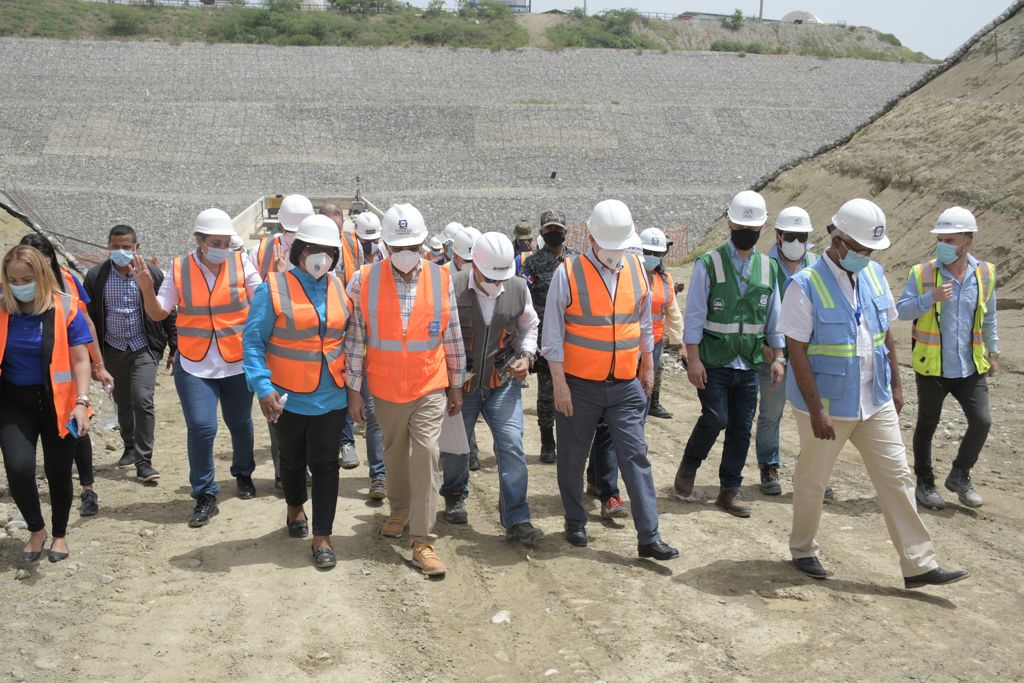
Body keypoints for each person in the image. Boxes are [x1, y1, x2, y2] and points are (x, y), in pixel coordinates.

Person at [782, 198, 969, 589]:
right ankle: (802, 549)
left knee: (897, 477)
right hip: (828, 406)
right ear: (838, 241)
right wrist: (816, 410)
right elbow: (796, 350)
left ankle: (919, 565)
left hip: (875, 398)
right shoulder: (804, 285)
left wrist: (897, 385)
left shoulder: (874, 273)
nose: (866, 256)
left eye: (871, 250)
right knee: (812, 480)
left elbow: (885, 332)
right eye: (861, 248)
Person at [542, 199, 678, 561]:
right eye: (610, 246)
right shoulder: (567, 273)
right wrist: (559, 384)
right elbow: (552, 336)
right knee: (572, 458)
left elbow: (645, 325)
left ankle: (649, 536)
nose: (616, 254)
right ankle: (574, 520)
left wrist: (647, 367)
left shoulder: (636, 267)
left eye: (621, 246)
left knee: (636, 457)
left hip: (624, 385)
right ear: (590, 237)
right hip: (579, 384)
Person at [345, 203, 466, 577]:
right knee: (394, 453)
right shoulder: (365, 279)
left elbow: (452, 333)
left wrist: (456, 384)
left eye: (411, 245)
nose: (405, 254)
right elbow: (355, 337)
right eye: (398, 247)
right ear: (385, 245)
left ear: (423, 242)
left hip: (429, 384)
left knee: (427, 454)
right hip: (385, 387)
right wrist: (353, 390)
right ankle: (399, 508)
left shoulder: (441, 278)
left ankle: (423, 540)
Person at [135, 208, 260, 527]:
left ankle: (243, 473)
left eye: (225, 241)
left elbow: (261, 299)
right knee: (203, 428)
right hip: (194, 361)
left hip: (235, 360)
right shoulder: (179, 269)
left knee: (240, 422)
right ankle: (205, 493)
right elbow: (159, 313)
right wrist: (147, 288)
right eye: (214, 242)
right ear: (199, 240)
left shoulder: (241, 262)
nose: (221, 247)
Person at [244, 215, 354, 569]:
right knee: (291, 461)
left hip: (331, 396)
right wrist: (262, 387)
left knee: (325, 465)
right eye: (314, 250)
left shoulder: (339, 288)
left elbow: (348, 339)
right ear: (300, 251)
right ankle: (294, 506)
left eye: (330, 251)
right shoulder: (272, 288)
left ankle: (322, 536)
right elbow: (253, 342)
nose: (323, 257)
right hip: (287, 397)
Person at [674, 190, 784, 518]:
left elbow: (774, 318)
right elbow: (693, 316)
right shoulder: (709, 263)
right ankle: (689, 466)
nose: (747, 231)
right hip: (714, 360)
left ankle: (729, 490)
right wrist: (693, 359)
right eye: (741, 224)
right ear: (729, 223)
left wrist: (778, 357)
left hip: (748, 362)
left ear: (762, 227)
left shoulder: (768, 268)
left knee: (741, 426)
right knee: (715, 417)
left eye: (753, 226)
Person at [438, 232, 544, 545]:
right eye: (490, 277)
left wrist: (526, 356)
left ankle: (517, 518)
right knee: (457, 448)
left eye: (502, 278)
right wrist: (449, 384)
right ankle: (454, 495)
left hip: (503, 383)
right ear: (475, 266)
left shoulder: (517, 287)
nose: (497, 284)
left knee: (512, 444)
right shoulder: (452, 286)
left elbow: (529, 326)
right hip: (462, 384)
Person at [896, 206, 997, 510]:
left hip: (970, 367)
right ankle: (925, 484)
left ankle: (960, 475)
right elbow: (901, 310)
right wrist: (931, 298)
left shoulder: (985, 273)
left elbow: (989, 317)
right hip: (933, 368)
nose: (943, 244)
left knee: (982, 421)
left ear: (968, 242)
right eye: (940, 238)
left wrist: (994, 352)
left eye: (950, 239)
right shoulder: (922, 273)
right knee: (927, 424)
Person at [0, 246, 93, 563]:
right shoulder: (1, 308)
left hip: (60, 402)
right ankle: (36, 529)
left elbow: (81, 359)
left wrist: (82, 402)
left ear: (41, 275)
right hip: (14, 401)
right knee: (18, 468)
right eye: (12, 279)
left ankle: (59, 535)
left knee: (58, 472)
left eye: (26, 278)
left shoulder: (66, 307)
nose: (19, 284)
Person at [20, 234, 115, 516]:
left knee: (76, 429)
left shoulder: (67, 282)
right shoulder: (12, 290)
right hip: (27, 383)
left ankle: (87, 489)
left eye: (44, 257)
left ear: (50, 257)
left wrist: (98, 364)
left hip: (66, 375)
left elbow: (86, 324)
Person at [83, 224, 176, 486]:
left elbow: (168, 311)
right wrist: (92, 358)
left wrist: (173, 346)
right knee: (123, 402)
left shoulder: (152, 274)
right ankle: (130, 446)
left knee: (142, 398)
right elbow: (88, 318)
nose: (121, 251)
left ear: (137, 248)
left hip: (143, 347)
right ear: (108, 248)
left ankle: (144, 461)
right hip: (111, 349)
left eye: (127, 247)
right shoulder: (96, 277)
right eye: (116, 247)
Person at [754, 207, 819, 496]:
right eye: (790, 236)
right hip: (775, 356)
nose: (796, 242)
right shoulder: (763, 265)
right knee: (771, 413)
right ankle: (769, 467)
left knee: (813, 414)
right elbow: (755, 312)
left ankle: (815, 472)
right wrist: (765, 348)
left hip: (810, 355)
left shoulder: (817, 264)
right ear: (778, 236)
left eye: (801, 236)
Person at [250, 195, 315, 488]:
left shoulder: (321, 247)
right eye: (291, 232)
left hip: (312, 347)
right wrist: (274, 281)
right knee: (278, 413)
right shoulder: (261, 251)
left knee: (312, 414)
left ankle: (307, 469)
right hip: (277, 348)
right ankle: (284, 475)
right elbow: (254, 303)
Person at [523, 211, 574, 464]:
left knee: (573, 391)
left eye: (558, 228)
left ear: (566, 231)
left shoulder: (575, 261)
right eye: (548, 229)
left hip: (574, 339)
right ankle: (547, 440)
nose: (554, 233)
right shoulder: (531, 264)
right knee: (546, 393)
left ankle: (570, 440)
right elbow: (524, 302)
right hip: (545, 340)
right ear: (542, 232)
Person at [320, 204, 364, 472]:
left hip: (344, 322)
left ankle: (346, 442)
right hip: (314, 325)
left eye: (337, 229)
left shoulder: (351, 244)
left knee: (343, 382)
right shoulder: (310, 246)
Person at [350, 213, 387, 499]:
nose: (371, 245)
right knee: (374, 417)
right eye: (367, 240)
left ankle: (398, 473)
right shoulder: (359, 275)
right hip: (369, 357)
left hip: (405, 363)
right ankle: (379, 476)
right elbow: (348, 315)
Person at [638, 228, 682, 419]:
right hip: (628, 341)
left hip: (654, 342)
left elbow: (673, 311)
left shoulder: (665, 279)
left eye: (657, 253)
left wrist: (681, 344)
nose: (653, 257)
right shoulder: (627, 274)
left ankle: (639, 428)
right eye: (648, 253)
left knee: (647, 386)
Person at [251, 194, 313, 280]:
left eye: (302, 231)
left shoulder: (321, 249)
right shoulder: (260, 252)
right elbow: (254, 291)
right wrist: (278, 280)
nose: (297, 237)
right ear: (281, 225)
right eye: (292, 231)